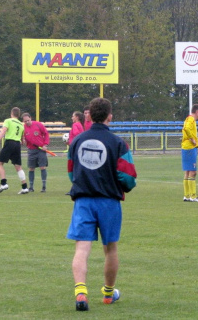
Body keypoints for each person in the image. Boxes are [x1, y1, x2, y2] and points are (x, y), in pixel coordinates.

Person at [66, 97, 137, 311]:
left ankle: (80, 293)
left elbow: (71, 172)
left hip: (83, 200)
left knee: (82, 248)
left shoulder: (77, 141)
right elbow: (128, 176)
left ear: (89, 115)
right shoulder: (118, 143)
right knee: (110, 248)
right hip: (109, 201)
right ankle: (108, 293)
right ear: (109, 116)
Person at [0, 107, 29, 194]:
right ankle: (25, 187)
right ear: (18, 115)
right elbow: (23, 140)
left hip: (10, 143)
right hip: (17, 145)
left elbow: (3, 131)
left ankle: (3, 183)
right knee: (18, 167)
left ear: (11, 113)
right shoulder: (21, 124)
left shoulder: (8, 121)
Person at [21, 113, 50, 192]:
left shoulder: (38, 124)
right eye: (25, 121)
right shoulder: (23, 128)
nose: (27, 122)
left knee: (42, 167)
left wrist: (45, 144)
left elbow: (46, 134)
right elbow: (23, 140)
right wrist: (22, 141)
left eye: (28, 120)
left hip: (41, 150)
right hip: (31, 150)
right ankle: (31, 187)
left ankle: (44, 187)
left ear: (31, 118)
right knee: (31, 168)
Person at [182, 104, 198, 202]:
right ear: (197, 111)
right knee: (193, 172)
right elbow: (186, 128)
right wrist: (192, 138)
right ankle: (193, 196)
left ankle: (187, 196)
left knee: (187, 172)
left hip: (186, 147)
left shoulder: (189, 119)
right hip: (190, 147)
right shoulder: (191, 119)